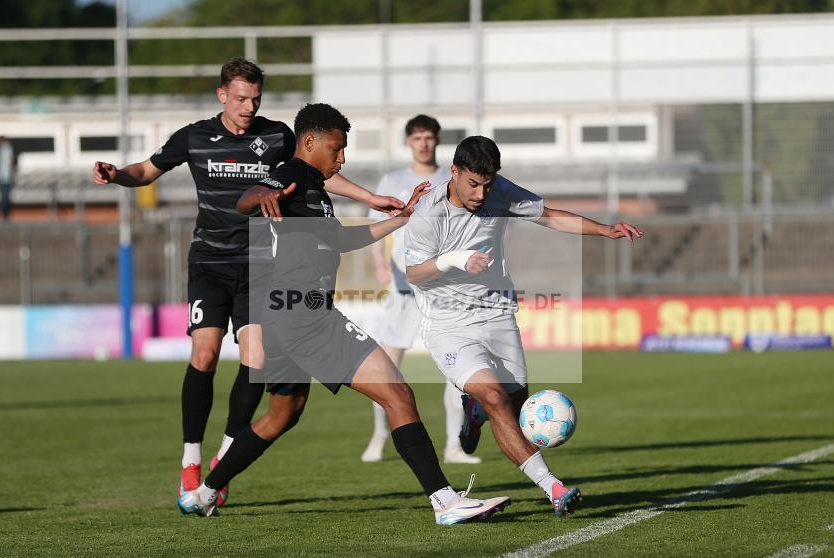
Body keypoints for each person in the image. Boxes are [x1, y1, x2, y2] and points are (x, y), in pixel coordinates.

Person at [177, 103, 510, 525]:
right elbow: (249, 199)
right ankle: (444, 501)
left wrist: (399, 220)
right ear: (310, 142)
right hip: (306, 314)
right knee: (398, 393)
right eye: (337, 148)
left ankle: (204, 492)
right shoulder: (294, 175)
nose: (342, 159)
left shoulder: (313, 188)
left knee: (283, 414)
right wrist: (258, 194)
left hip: (282, 314)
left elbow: (337, 241)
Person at [91, 58, 401, 507]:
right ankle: (190, 459)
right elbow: (145, 171)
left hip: (261, 263)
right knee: (206, 350)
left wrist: (372, 199)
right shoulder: (194, 137)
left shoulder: (277, 136)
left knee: (256, 358)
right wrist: (115, 174)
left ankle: (226, 456)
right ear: (222, 95)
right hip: (211, 262)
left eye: (255, 99)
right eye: (240, 98)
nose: (248, 107)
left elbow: (316, 172)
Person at [404, 136, 643, 517]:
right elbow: (414, 273)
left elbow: (549, 215)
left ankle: (477, 411)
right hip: (449, 323)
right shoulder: (427, 215)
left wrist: (604, 229)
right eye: (472, 184)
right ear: (454, 172)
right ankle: (554, 488)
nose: (481, 194)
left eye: (487, 184)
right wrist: (455, 259)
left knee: (514, 411)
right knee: (496, 397)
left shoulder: (499, 192)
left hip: (498, 315)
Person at [361, 114, 478, 465]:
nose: (423, 143)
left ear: (437, 140)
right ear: (409, 142)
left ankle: (454, 446)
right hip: (404, 285)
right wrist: (379, 263)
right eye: (417, 138)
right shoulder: (394, 180)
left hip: (445, 287)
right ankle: (381, 433)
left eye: (429, 137)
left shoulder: (450, 177)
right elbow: (377, 226)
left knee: (457, 364)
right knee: (385, 364)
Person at [0, 135, 16, 221]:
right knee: (5, 197)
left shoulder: (5, 149)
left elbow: (8, 162)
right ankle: (5, 215)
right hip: (5, 177)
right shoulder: (6, 149)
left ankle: (5, 215)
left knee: (4, 198)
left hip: (5, 177)